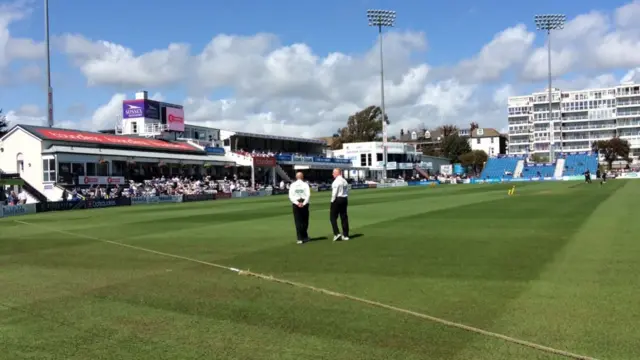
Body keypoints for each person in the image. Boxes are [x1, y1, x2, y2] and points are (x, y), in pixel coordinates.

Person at [288, 172, 311, 244]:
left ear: (296, 177)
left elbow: (290, 196)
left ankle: (299, 238)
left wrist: (297, 203)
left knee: (298, 221)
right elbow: (308, 195)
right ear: (302, 177)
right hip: (304, 203)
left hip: (296, 203)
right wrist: (303, 203)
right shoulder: (305, 184)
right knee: (305, 221)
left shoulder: (292, 185)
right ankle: (304, 236)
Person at [330, 168, 350, 241]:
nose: (332, 174)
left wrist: (332, 201)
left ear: (337, 173)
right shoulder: (344, 181)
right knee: (344, 217)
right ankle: (346, 235)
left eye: (333, 173)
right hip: (344, 198)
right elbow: (347, 190)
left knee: (332, 217)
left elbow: (334, 193)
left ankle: (337, 233)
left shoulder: (336, 181)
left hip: (337, 199)